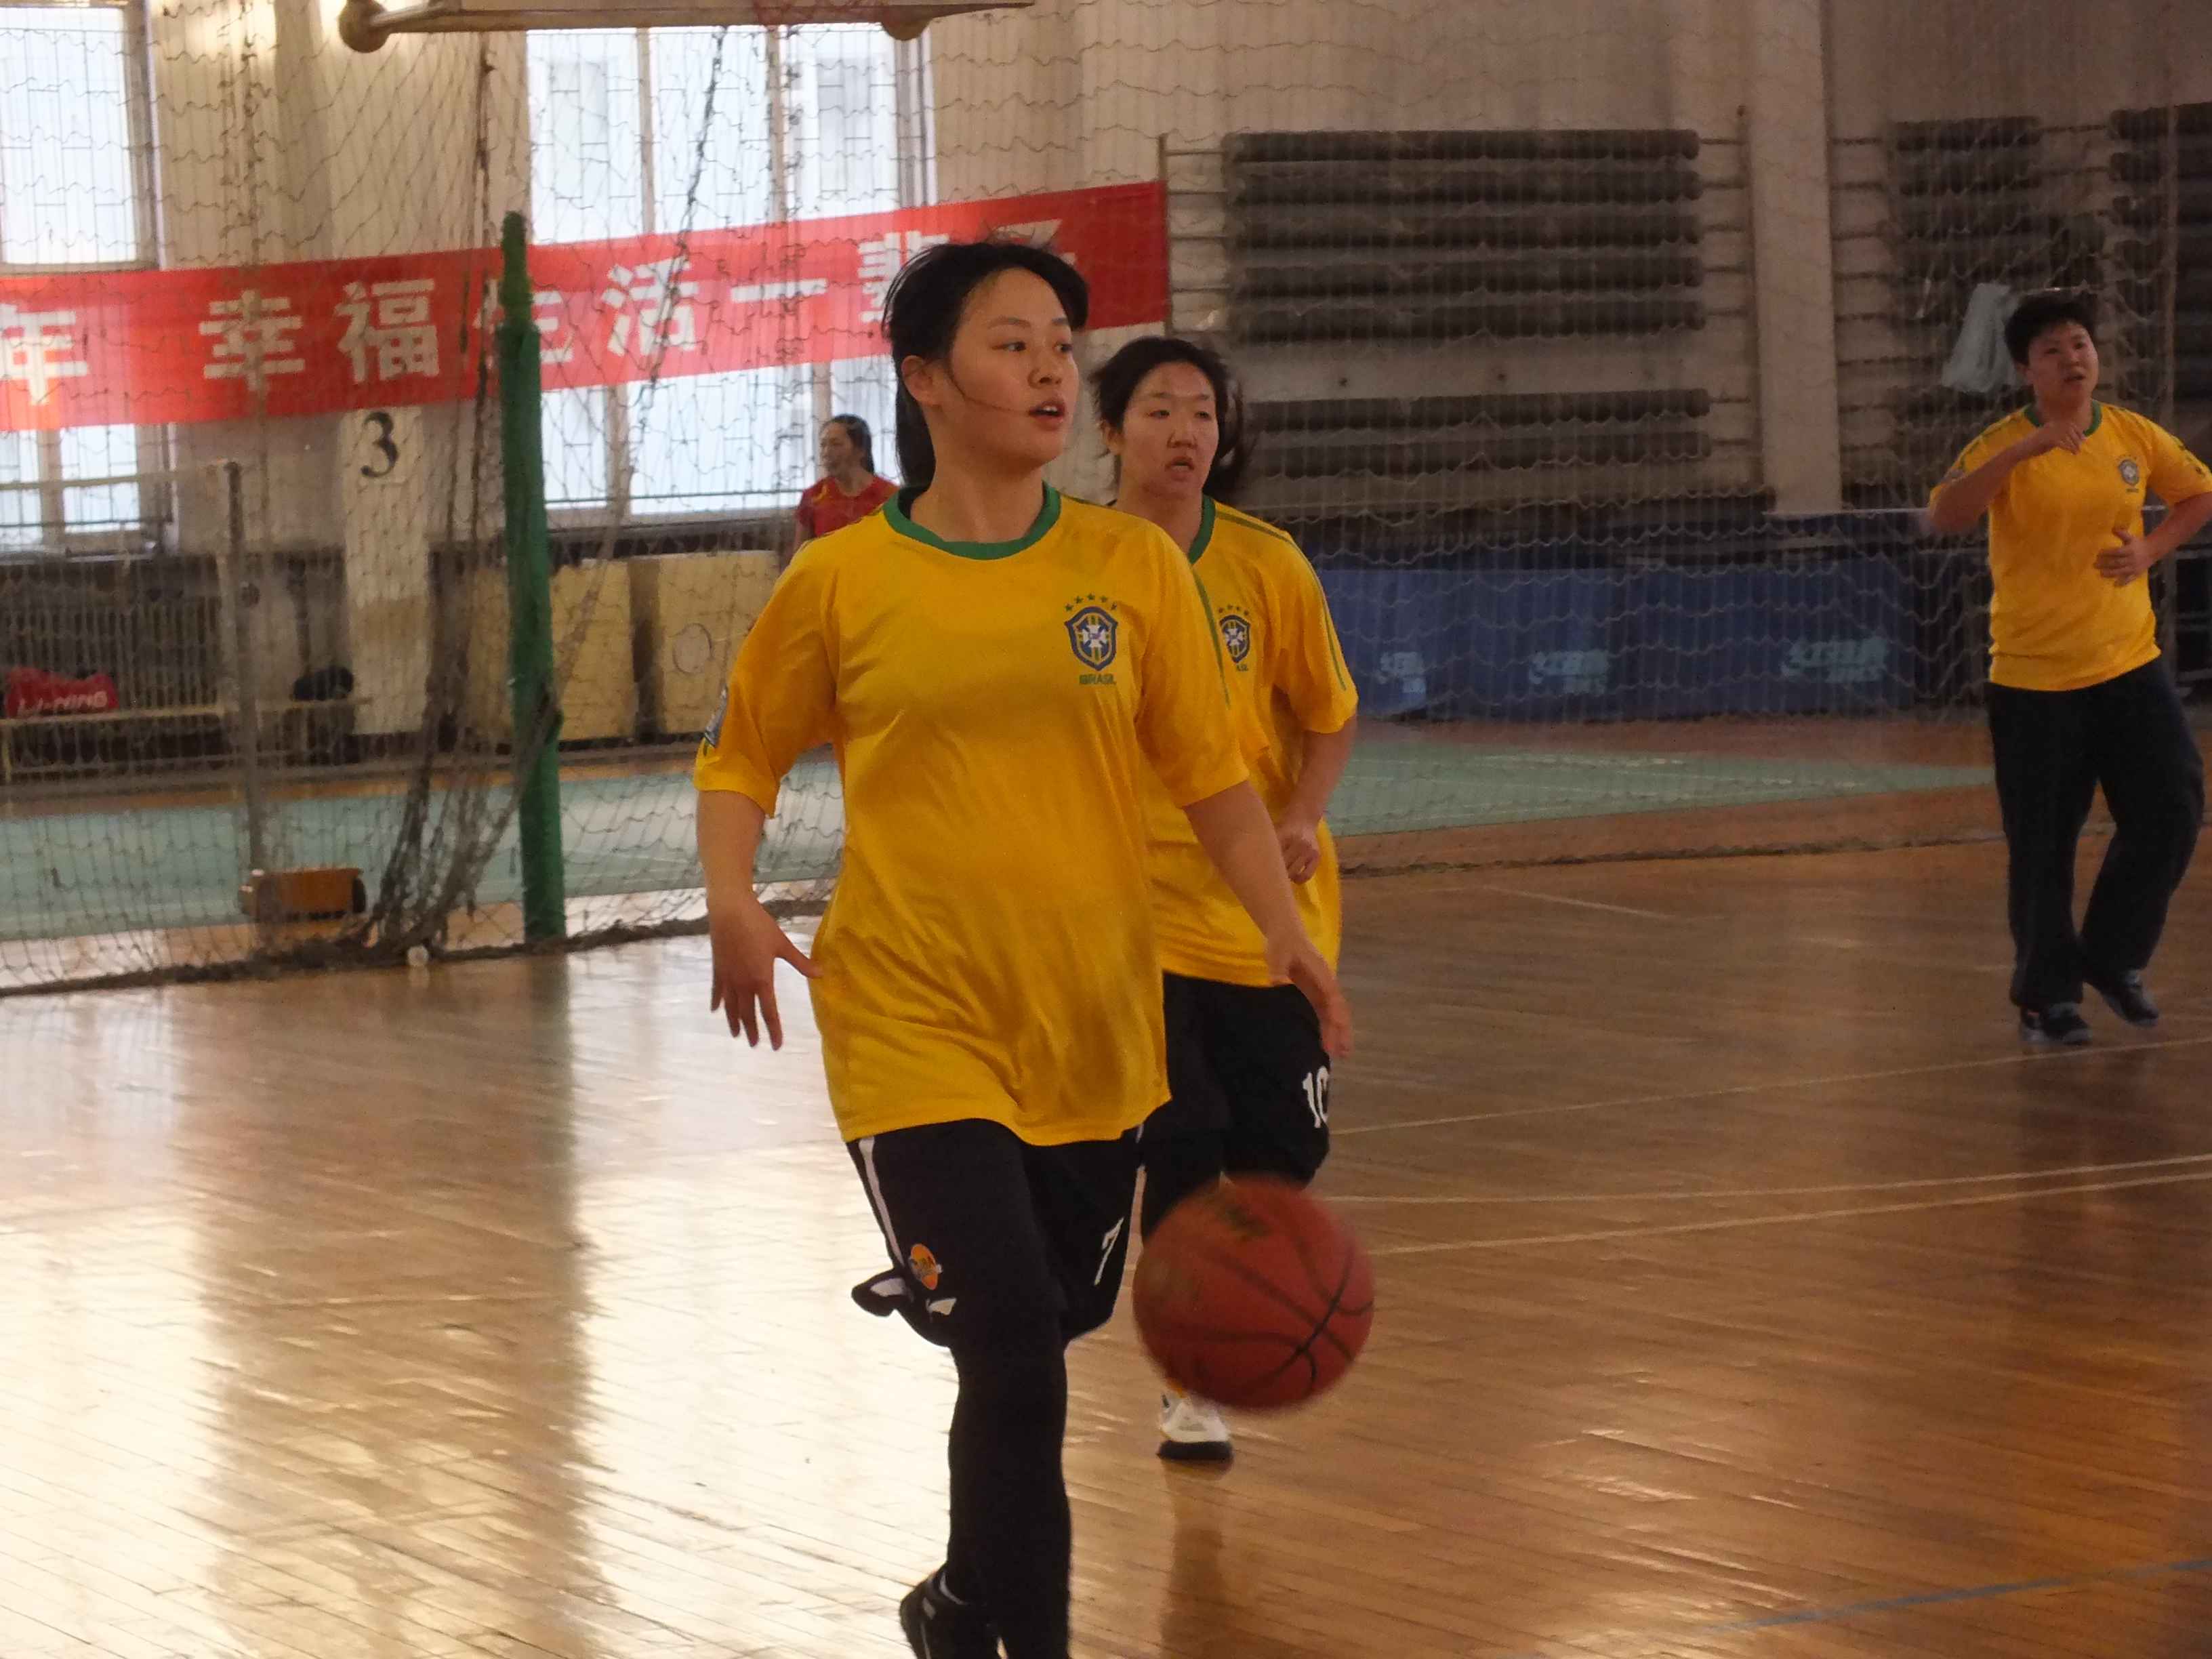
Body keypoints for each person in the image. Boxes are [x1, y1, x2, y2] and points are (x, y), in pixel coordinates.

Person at [693, 241, 1353, 1659]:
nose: (1052, 368)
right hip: (911, 1017)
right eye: (1013, 343)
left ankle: (959, 1604)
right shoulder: (843, 580)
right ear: (925, 379)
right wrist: (732, 895)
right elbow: (741, 756)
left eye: (1061, 342)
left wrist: (1282, 930)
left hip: (1092, 1026)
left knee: (1041, 1338)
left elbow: (1212, 778)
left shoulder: (1128, 567)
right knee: (1009, 1339)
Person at [1094, 336, 1359, 1462]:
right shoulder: (1075, 563)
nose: (1185, 432)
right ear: (1112, 432)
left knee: (1279, 1150)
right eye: (1159, 410)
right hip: (1133, 911)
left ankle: (1237, 1313)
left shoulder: (1265, 562)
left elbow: (1330, 713)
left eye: (1202, 412)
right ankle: (1188, 1375)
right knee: (1182, 1135)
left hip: (1263, 915)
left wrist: (1298, 814)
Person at [1927, 288, 2212, 1046]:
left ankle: (2114, 958)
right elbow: (1946, 514)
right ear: (2027, 371)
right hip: (2035, 681)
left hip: (2128, 665)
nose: (2071, 358)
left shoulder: (2132, 433)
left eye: (2079, 344)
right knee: (2043, 843)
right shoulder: (2002, 442)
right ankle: (2047, 997)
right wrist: (2022, 453)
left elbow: (2197, 494)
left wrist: (2150, 549)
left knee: (2172, 806)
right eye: (2051, 351)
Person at [791, 413, 897, 555]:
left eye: (836, 444)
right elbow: (799, 558)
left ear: (861, 451)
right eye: (823, 445)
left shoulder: (890, 496)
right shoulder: (813, 497)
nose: (826, 452)